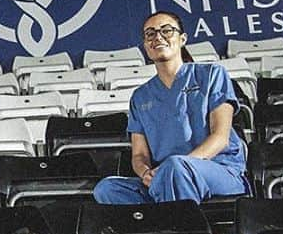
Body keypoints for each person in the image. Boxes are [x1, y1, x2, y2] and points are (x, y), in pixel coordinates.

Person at [92, 11, 249, 204]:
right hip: (166, 176)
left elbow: (220, 138)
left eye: (166, 30)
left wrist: (177, 168)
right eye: (150, 33)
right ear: (145, 47)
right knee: (107, 189)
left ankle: (182, 233)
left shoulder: (211, 75)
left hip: (219, 170)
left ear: (182, 39)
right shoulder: (140, 97)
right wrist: (146, 173)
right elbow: (139, 155)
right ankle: (163, 226)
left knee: (176, 168)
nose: (158, 37)